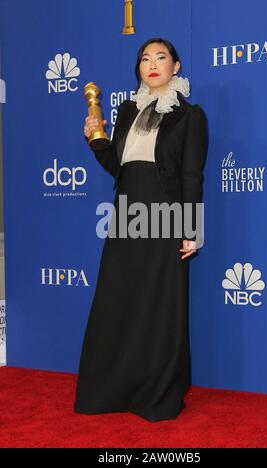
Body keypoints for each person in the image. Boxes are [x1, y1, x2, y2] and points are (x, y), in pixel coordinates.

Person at [73, 37, 209, 422]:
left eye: (161, 57)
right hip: (127, 213)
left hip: (166, 216)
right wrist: (95, 140)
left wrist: (189, 227)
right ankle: (115, 389)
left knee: (162, 306)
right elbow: (119, 167)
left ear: (176, 66)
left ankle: (158, 391)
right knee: (119, 300)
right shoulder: (128, 110)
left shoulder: (191, 116)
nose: (152, 64)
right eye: (144, 59)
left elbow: (191, 175)